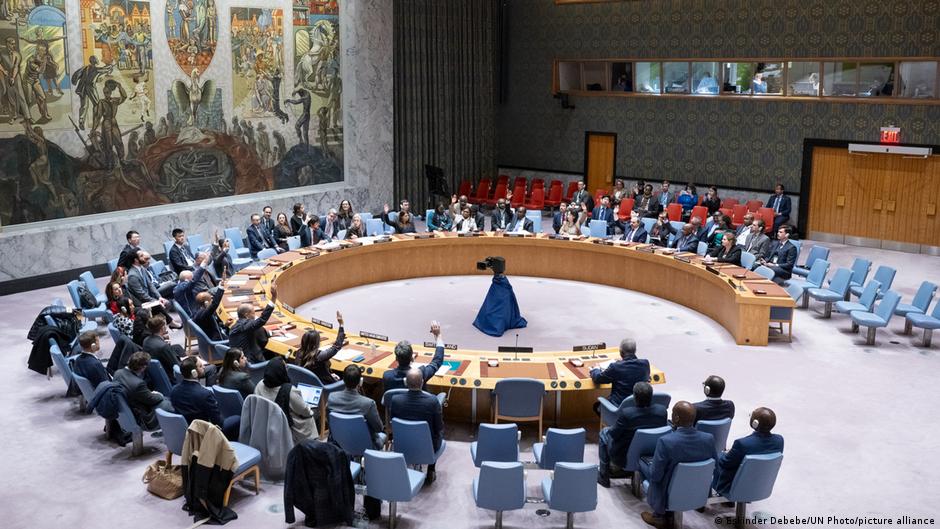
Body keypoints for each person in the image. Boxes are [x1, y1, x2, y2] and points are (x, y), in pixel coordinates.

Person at [641, 401, 718, 529]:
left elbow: (655, 475)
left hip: (669, 493)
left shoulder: (666, 441)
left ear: (676, 418)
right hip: (698, 490)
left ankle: (659, 516)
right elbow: (716, 466)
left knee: (643, 464)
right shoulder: (708, 438)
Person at [597, 382, 667, 487]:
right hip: (650, 453)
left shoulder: (627, 414)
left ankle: (604, 476)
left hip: (624, 456)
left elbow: (614, 435)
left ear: (634, 397)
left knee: (604, 433)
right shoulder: (662, 411)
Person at [388, 368, 444, 484]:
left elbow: (392, 423)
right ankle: (431, 469)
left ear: (405, 382)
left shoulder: (395, 400)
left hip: (403, 443)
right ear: (422, 382)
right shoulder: (433, 401)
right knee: (439, 433)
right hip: (428, 446)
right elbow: (439, 427)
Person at [712, 407, 784, 495]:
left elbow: (724, 463)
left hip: (732, 485)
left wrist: (723, 454)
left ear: (755, 423)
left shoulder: (742, 444)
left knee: (715, 459)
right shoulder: (779, 440)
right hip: (760, 484)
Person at [171, 356, 239, 440]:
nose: (204, 367)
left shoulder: (174, 390)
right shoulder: (205, 394)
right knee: (237, 419)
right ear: (194, 373)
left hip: (188, 432)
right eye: (200, 366)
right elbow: (219, 423)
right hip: (205, 434)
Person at [254, 357, 318, 444]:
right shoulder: (290, 390)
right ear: (281, 372)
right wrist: (310, 410)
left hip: (267, 422)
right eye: (285, 367)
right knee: (313, 412)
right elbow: (305, 411)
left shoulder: (260, 384)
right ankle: (311, 444)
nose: (287, 370)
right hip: (289, 428)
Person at [328, 365, 385, 449]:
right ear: (360, 382)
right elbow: (378, 428)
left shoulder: (331, 397)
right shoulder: (368, 403)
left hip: (338, 441)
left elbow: (329, 422)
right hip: (365, 444)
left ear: (343, 380)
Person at [113, 351, 173, 430]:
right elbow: (152, 400)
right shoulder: (138, 384)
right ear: (143, 367)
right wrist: (158, 395)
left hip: (129, 409)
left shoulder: (118, 373)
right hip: (143, 418)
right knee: (168, 403)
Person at [383, 321, 445, 392]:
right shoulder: (420, 374)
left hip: (397, 402)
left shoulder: (387, 376)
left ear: (396, 358)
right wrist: (438, 336)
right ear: (412, 358)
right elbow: (437, 361)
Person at [590, 339, 650, 409]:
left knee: (597, 407)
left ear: (621, 351)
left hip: (619, 406)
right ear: (635, 351)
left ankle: (614, 419)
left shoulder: (616, 367)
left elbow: (598, 379)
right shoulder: (645, 364)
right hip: (638, 405)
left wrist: (595, 369)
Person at [126, 250, 179, 327]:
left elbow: (150, 285)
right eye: (141, 256)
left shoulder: (142, 268)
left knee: (164, 303)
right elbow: (141, 294)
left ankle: (164, 325)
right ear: (136, 260)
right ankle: (168, 323)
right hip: (140, 302)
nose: (144, 257)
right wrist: (155, 301)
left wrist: (159, 297)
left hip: (148, 297)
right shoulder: (132, 275)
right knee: (159, 305)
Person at [229, 284, 278, 363]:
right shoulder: (245, 326)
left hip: (238, 360)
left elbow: (256, 329)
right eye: (253, 313)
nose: (255, 315)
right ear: (246, 315)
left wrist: (271, 333)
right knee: (277, 360)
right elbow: (262, 319)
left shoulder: (237, 325)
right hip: (251, 362)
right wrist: (274, 298)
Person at [294, 311, 345, 383]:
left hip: (306, 382)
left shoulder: (298, 353)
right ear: (316, 343)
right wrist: (341, 324)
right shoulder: (320, 356)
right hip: (323, 385)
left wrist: (329, 374)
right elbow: (336, 346)